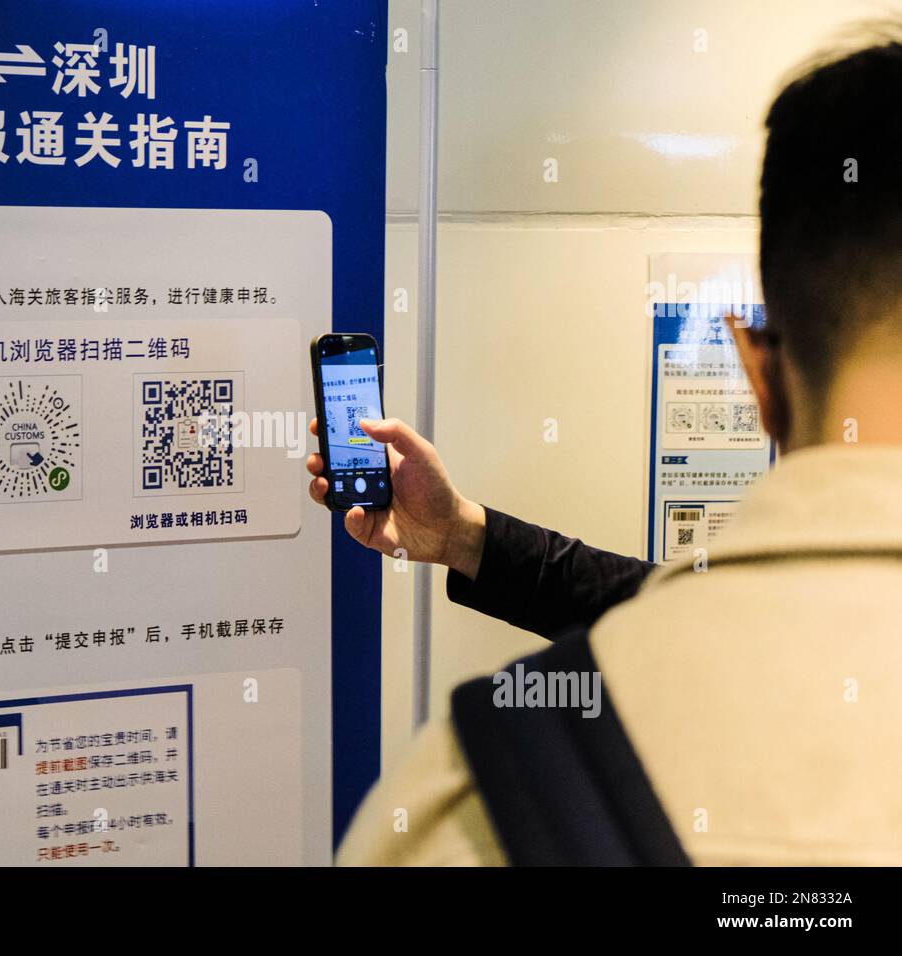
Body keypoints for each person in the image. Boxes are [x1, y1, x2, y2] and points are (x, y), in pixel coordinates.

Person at [312, 25, 902, 866]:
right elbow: (660, 597)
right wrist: (460, 535)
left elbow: (682, 617)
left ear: (758, 376)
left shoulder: (468, 807)